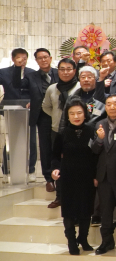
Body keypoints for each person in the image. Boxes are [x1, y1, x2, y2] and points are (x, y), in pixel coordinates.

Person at [50, 97, 98, 255]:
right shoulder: (62, 133)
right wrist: (55, 169)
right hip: (68, 177)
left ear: (85, 114)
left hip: (87, 177)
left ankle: (83, 239)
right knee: (69, 211)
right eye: (72, 113)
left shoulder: (92, 131)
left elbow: (96, 156)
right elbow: (55, 156)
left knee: (86, 210)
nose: (76, 116)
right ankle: (71, 241)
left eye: (79, 113)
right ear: (67, 115)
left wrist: (96, 175)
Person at [91, 94, 116, 256]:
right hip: (104, 176)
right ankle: (106, 242)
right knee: (105, 211)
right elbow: (94, 151)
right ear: (105, 107)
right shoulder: (99, 124)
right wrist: (99, 140)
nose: (112, 107)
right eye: (109, 104)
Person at [42, 58, 80, 208]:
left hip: (75, 132)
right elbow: (46, 107)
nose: (65, 72)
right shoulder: (52, 88)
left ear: (74, 71)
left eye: (69, 69)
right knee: (58, 163)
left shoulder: (79, 86)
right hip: (57, 131)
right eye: (62, 69)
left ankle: (75, 196)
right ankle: (59, 196)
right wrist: (57, 118)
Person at [22, 48, 58, 187]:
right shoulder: (31, 76)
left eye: (45, 57)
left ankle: (60, 175)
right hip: (42, 117)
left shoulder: (59, 72)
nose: (43, 60)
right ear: (36, 60)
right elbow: (19, 87)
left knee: (60, 145)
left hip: (59, 115)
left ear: (50, 58)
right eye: (40, 58)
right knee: (45, 147)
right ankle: (48, 178)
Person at [0, 48, 36, 179]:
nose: (22, 61)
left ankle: (31, 169)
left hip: (29, 109)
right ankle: (6, 169)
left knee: (31, 139)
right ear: (13, 59)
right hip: (10, 109)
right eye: (19, 58)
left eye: (24, 58)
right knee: (11, 139)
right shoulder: (3, 72)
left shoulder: (32, 73)